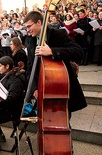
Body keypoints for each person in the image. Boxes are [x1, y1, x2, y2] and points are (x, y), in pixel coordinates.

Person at [23, 11, 87, 152]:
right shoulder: (31, 41)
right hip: (42, 89)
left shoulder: (58, 34)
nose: (27, 30)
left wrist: (52, 51)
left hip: (61, 89)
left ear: (39, 22)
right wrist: (34, 88)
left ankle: (66, 150)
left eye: (29, 26)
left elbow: (78, 52)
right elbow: (30, 69)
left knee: (62, 125)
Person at [0, 56, 25, 154]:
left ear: (7, 66)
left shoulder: (15, 81)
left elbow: (11, 99)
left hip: (13, 111)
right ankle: (0, 135)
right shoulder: (7, 76)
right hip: (6, 107)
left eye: (0, 66)